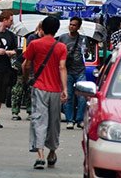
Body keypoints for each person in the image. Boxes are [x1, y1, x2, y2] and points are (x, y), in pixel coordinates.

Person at [22, 16, 68, 169]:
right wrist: (65, 89)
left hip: (40, 88)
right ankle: (52, 152)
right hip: (55, 90)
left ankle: (40, 155)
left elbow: (26, 65)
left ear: (42, 28)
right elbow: (62, 67)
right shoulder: (61, 47)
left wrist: (26, 78)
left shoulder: (34, 44)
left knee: (39, 119)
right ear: (56, 30)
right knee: (54, 122)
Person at [57, 16, 87, 130]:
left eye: (74, 25)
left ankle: (79, 119)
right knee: (68, 96)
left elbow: (87, 54)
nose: (71, 26)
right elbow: (58, 52)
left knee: (82, 96)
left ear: (79, 27)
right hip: (67, 70)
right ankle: (70, 120)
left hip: (80, 70)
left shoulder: (83, 39)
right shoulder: (62, 38)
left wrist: (86, 51)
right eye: (70, 24)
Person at [11, 22, 41, 121]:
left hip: (34, 69)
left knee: (30, 91)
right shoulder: (32, 37)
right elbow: (29, 53)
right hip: (23, 66)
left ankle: (30, 111)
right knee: (18, 90)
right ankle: (15, 112)